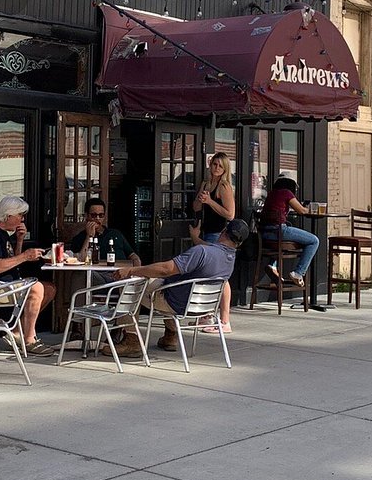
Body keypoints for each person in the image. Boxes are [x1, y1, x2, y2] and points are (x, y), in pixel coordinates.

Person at [111, 218, 249, 355]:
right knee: (162, 282)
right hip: (200, 307)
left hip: (175, 303)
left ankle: (131, 340)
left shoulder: (201, 252)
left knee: (129, 284)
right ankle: (170, 335)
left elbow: (166, 269)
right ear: (240, 242)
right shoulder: (229, 258)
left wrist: (131, 270)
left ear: (223, 231)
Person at [0, 195, 57, 355]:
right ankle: (29, 339)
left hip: (5, 284)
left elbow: (11, 262)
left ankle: (17, 332)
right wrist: (25, 256)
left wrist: (20, 240)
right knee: (36, 288)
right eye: (20, 215)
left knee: (49, 288)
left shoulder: (2, 233)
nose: (22, 220)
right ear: (8, 215)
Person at [191, 151, 237, 330]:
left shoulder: (224, 186)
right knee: (204, 274)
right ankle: (207, 315)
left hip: (219, 234)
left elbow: (230, 214)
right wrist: (201, 200)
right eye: (214, 164)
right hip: (205, 230)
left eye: (220, 166)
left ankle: (225, 320)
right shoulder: (206, 183)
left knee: (220, 277)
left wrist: (210, 201)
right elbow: (195, 207)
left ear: (225, 169)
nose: (216, 168)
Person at [259, 175, 319, 287]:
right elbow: (301, 210)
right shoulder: (287, 193)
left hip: (265, 235)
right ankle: (298, 273)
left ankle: (272, 264)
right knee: (314, 241)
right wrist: (312, 209)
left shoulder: (272, 194)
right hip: (279, 231)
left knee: (283, 239)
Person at [67, 197, 142, 267]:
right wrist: (89, 236)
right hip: (97, 274)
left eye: (101, 215)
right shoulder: (79, 238)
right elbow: (81, 260)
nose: (97, 218)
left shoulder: (115, 234)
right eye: (93, 215)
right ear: (86, 216)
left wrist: (136, 268)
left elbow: (132, 255)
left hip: (120, 273)